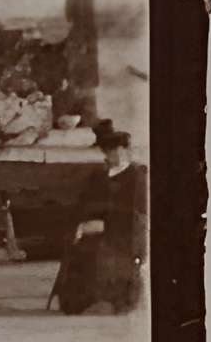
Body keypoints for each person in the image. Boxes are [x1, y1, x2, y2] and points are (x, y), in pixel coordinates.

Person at [55, 122, 146, 316]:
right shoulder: (98, 176)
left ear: (126, 151)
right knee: (82, 250)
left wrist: (106, 224)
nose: (114, 156)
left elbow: (137, 211)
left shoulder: (137, 176)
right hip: (94, 229)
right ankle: (82, 302)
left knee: (102, 253)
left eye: (118, 151)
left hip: (123, 232)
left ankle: (109, 300)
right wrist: (81, 224)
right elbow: (84, 204)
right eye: (110, 152)